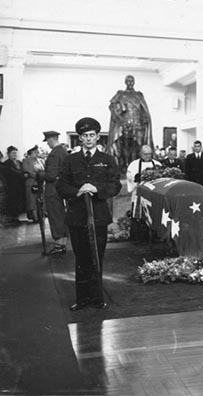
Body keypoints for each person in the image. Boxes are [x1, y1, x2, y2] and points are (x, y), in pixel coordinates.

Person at [57, 117, 122, 311]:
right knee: (81, 258)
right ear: (80, 138)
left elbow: (115, 185)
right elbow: (61, 185)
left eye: (92, 135)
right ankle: (82, 299)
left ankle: (97, 298)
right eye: (85, 136)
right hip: (77, 216)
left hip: (98, 216)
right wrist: (76, 191)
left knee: (97, 256)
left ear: (97, 137)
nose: (88, 139)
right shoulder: (70, 160)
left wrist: (96, 188)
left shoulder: (107, 160)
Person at [107, 75, 154, 171]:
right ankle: (125, 166)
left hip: (138, 124)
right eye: (128, 81)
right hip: (125, 124)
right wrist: (119, 117)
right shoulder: (121, 94)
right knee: (125, 146)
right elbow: (112, 106)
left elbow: (144, 109)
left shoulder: (139, 95)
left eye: (132, 81)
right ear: (125, 82)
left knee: (137, 146)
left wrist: (145, 118)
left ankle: (136, 165)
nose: (130, 83)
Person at [38, 131, 69, 255]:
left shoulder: (54, 154)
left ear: (51, 139)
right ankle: (62, 243)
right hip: (61, 187)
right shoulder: (63, 152)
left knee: (55, 215)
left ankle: (59, 245)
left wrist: (39, 173)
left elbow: (50, 175)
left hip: (53, 189)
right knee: (61, 215)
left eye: (48, 141)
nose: (48, 144)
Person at [126, 145, 162, 218]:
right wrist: (135, 178)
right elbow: (129, 177)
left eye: (149, 154)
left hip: (153, 194)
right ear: (141, 154)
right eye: (145, 154)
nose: (148, 156)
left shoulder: (157, 164)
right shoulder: (134, 164)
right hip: (139, 194)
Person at [3, 146, 27, 225]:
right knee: (12, 203)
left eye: (16, 153)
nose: (15, 155)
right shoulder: (6, 163)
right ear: (8, 154)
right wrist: (22, 175)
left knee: (19, 203)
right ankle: (13, 219)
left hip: (20, 186)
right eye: (13, 153)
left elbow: (23, 171)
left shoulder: (19, 162)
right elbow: (12, 173)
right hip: (11, 187)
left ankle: (17, 217)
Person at [22, 145, 45, 222]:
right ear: (30, 153)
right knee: (32, 201)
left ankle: (41, 215)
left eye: (37, 152)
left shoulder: (41, 161)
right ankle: (35, 217)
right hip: (31, 183)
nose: (37, 153)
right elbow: (27, 171)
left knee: (41, 199)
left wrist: (41, 176)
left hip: (40, 183)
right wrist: (38, 175)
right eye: (35, 152)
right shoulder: (26, 161)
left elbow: (44, 170)